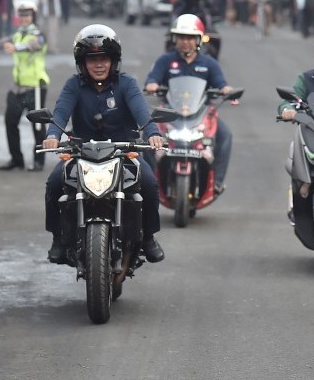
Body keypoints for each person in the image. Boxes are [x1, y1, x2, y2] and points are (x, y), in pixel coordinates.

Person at [43, 24, 165, 264]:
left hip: (124, 151)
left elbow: (142, 112)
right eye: (92, 59)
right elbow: (60, 113)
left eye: (104, 58)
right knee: (54, 184)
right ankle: (58, 238)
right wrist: (52, 135)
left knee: (149, 184)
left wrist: (152, 132)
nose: (98, 64)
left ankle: (148, 237)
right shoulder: (73, 85)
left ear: (113, 60)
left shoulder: (127, 84)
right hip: (81, 152)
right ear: (82, 62)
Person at [145, 14, 235, 194]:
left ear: (198, 40)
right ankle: (149, 179)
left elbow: (220, 83)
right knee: (145, 137)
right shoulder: (165, 61)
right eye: (181, 37)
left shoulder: (209, 63)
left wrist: (226, 90)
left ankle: (216, 182)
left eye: (189, 38)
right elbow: (152, 79)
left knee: (226, 137)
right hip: (170, 113)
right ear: (174, 39)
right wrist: (152, 85)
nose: (185, 42)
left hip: (201, 114)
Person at [0, 0, 50, 172]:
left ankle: (39, 160)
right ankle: (16, 159)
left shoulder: (38, 33)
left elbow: (36, 44)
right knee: (10, 121)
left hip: (35, 86)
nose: (24, 18)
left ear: (33, 16)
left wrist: (17, 47)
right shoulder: (18, 33)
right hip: (18, 86)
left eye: (27, 15)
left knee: (38, 125)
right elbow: (5, 41)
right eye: (21, 15)